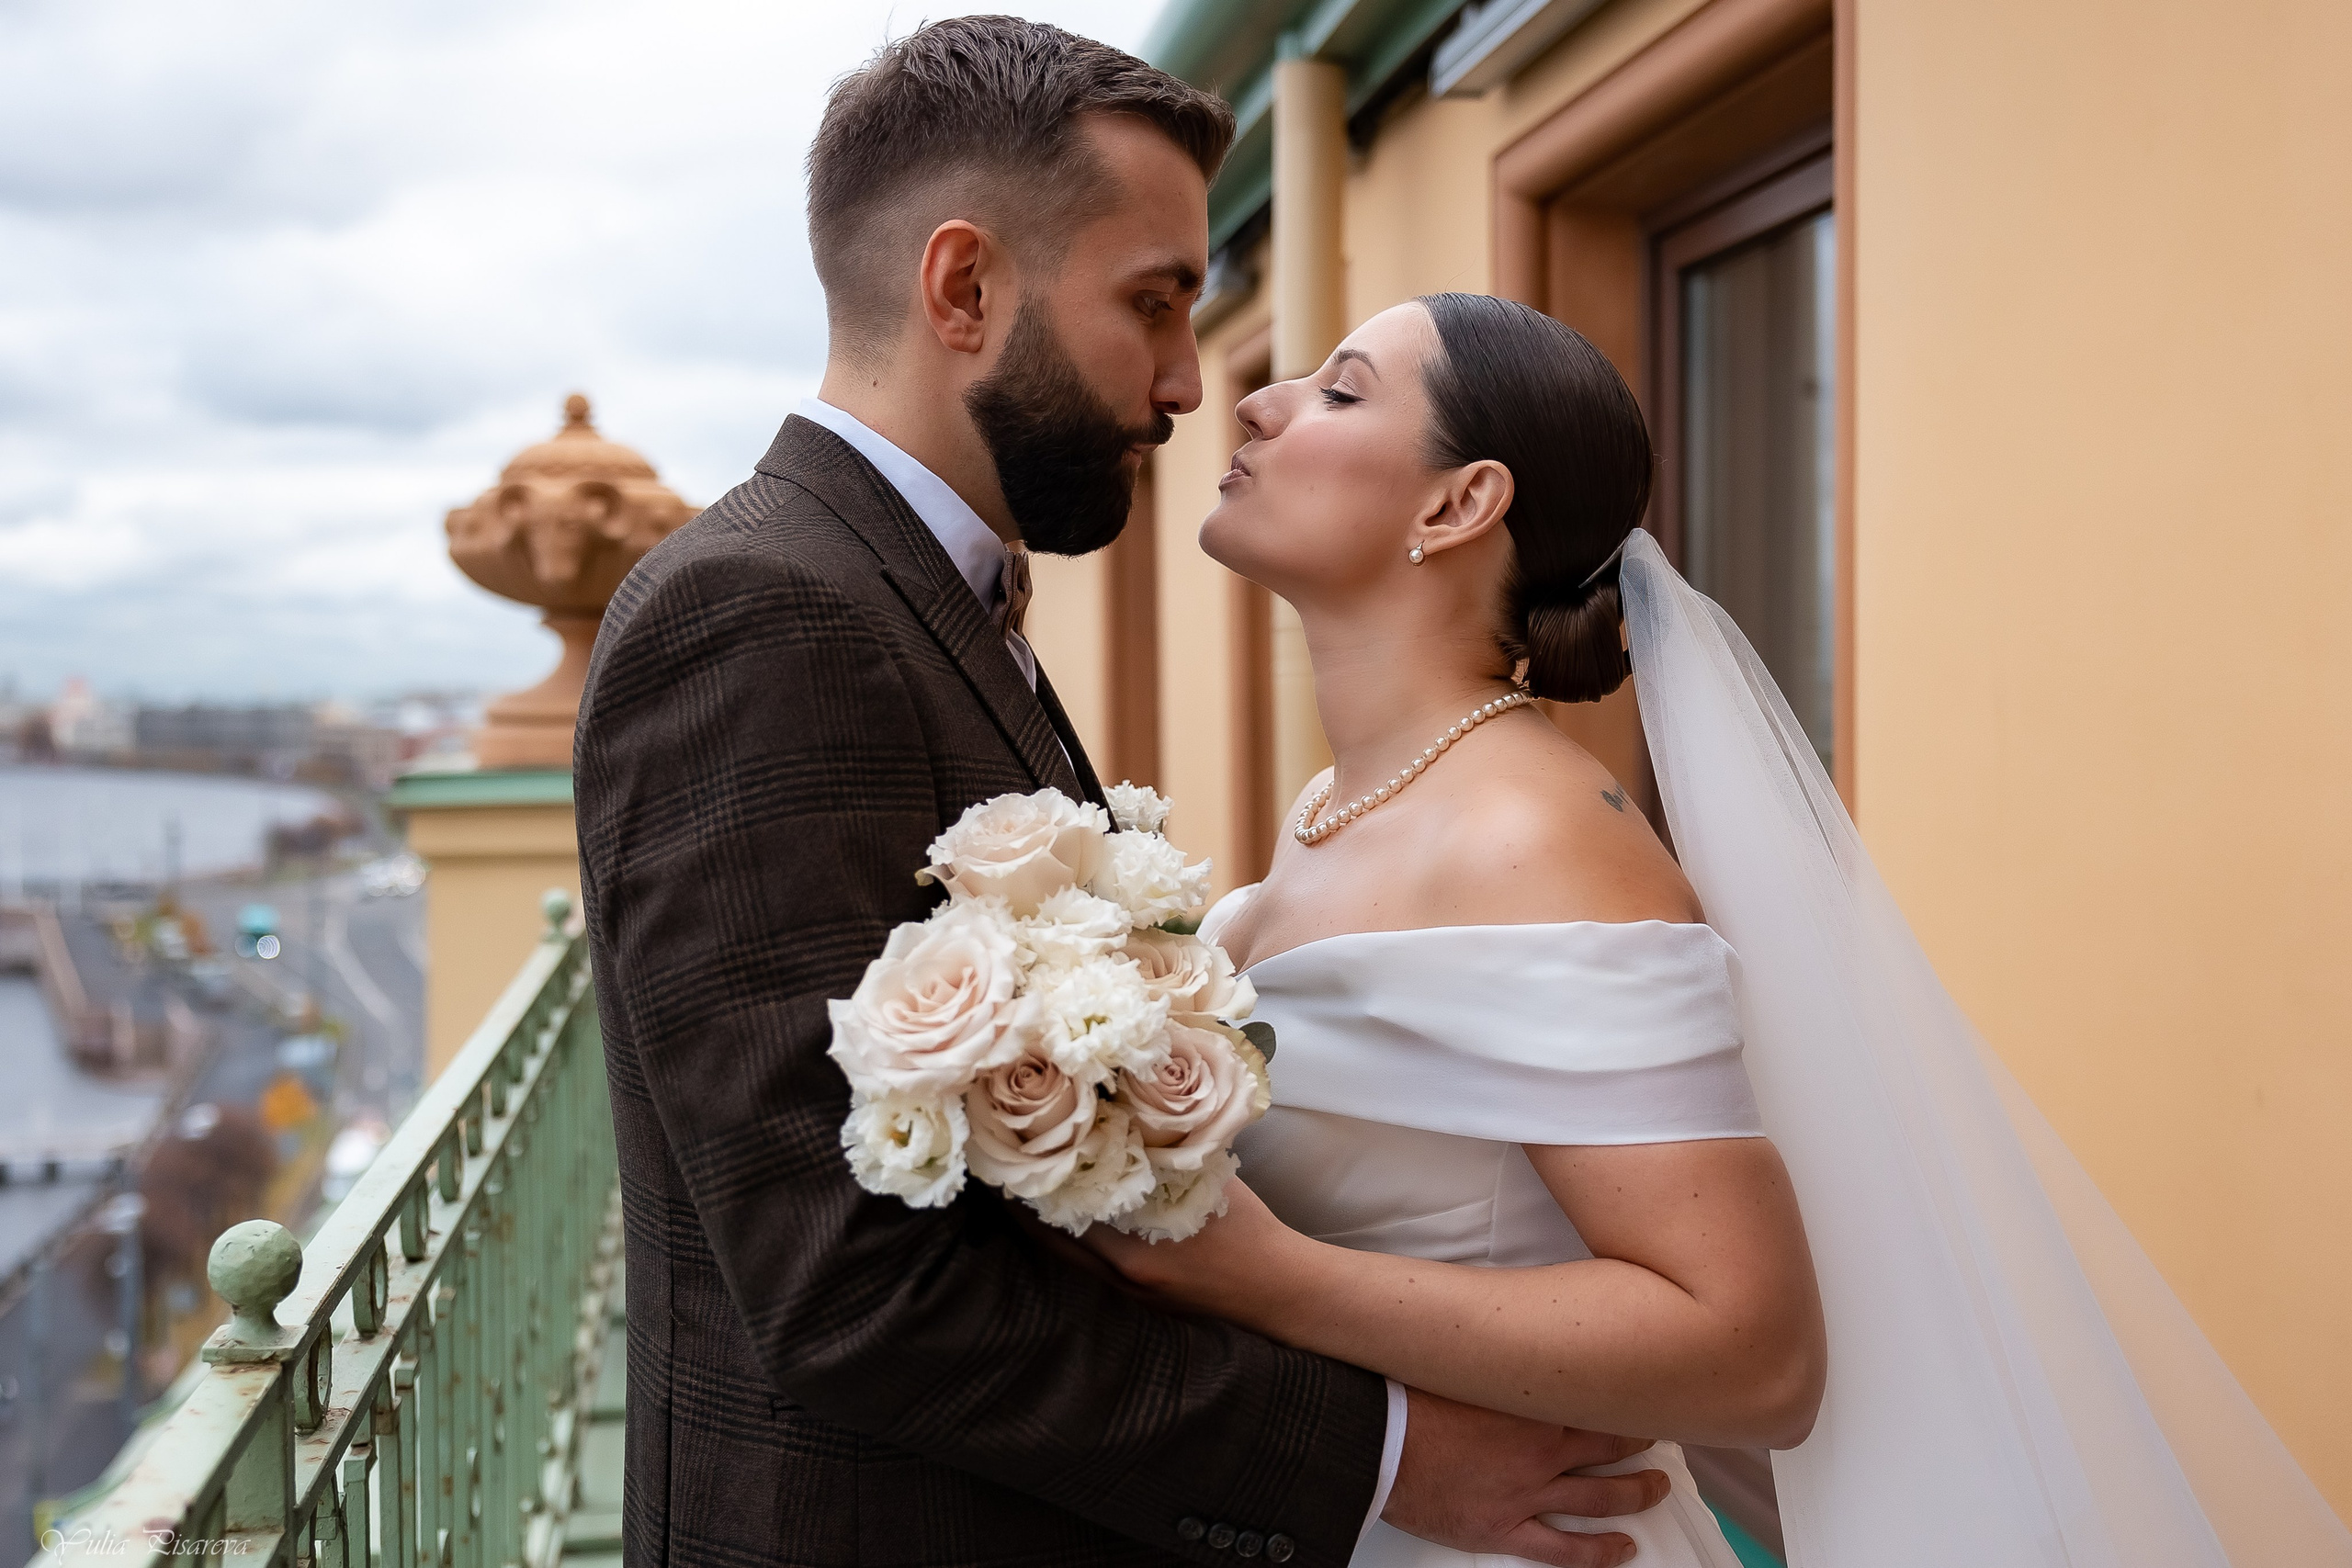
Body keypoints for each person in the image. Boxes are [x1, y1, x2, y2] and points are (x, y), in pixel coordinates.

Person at [573, 24, 1664, 1568]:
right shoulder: (765, 612)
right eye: (1154, 304)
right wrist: (1380, 1456)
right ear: (965, 289)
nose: (1183, 385)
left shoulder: (929, 600)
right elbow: (846, 1283)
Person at [1084, 292, 2352, 1568]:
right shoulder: (1332, 808)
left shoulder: (1534, 837)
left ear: (1457, 505)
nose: (1258, 399)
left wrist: (1273, 1280)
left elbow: (1754, 1356)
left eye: (1341, 390)